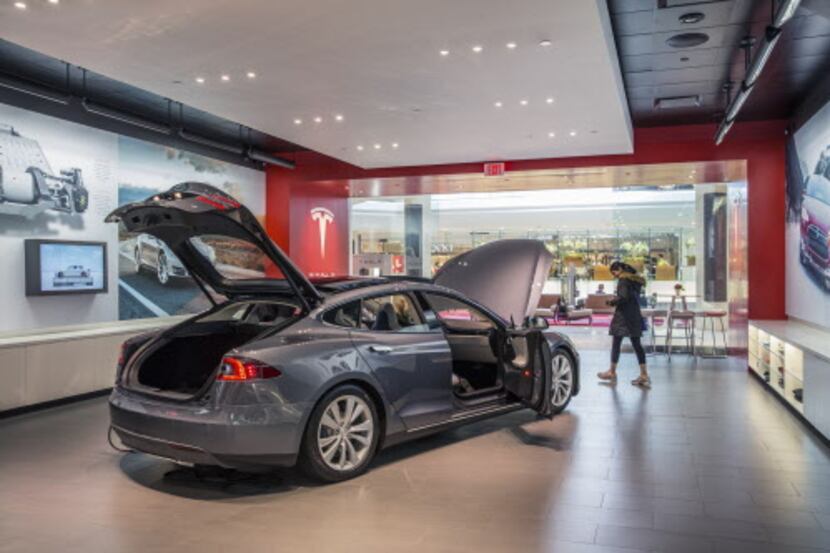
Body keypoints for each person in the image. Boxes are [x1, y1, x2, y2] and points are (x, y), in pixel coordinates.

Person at [597, 261, 650, 387]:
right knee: (637, 345)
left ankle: (612, 371)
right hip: (634, 314)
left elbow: (623, 297)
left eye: (614, 272)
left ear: (619, 269)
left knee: (616, 343)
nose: (614, 275)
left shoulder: (623, 280)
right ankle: (644, 374)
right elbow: (630, 297)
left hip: (623, 317)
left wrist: (611, 302)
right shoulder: (636, 281)